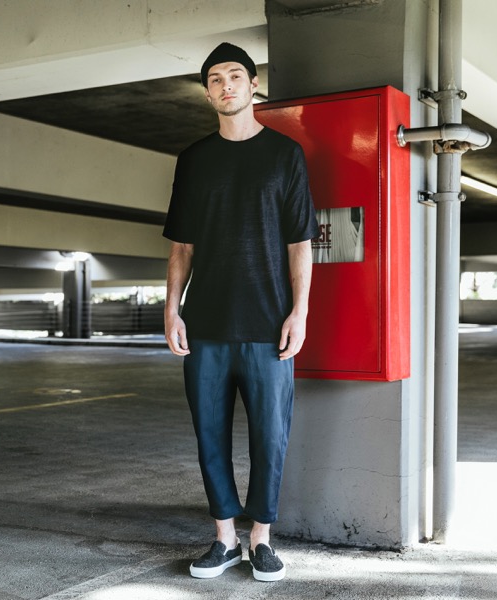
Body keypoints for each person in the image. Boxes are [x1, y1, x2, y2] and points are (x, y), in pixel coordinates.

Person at [162, 42, 318, 582]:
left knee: (270, 437)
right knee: (209, 436)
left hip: (269, 325)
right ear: (208, 93)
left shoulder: (284, 155)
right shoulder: (194, 160)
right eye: (214, 79)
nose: (225, 85)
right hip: (205, 323)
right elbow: (182, 246)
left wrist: (299, 312)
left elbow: (300, 243)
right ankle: (225, 538)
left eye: (234, 75)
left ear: (253, 85)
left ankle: (261, 540)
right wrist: (172, 310)